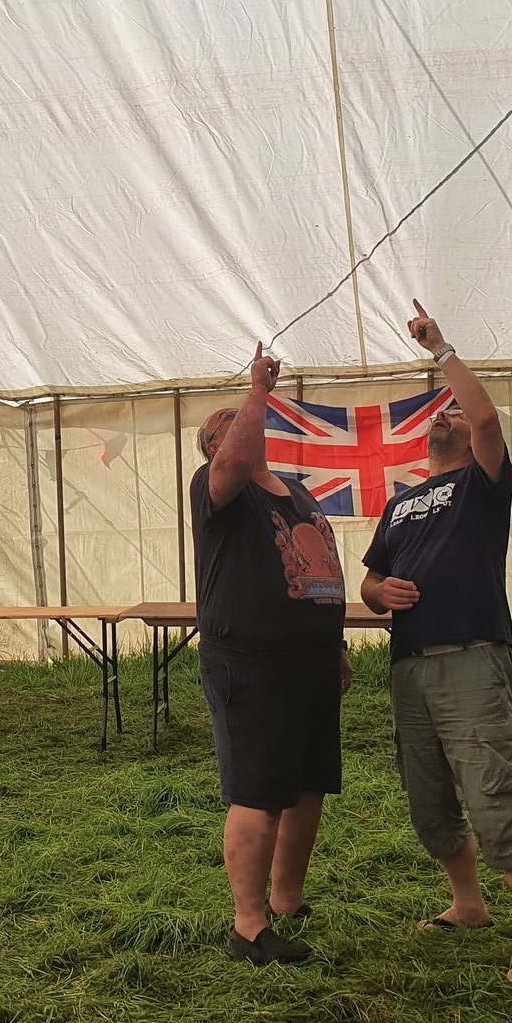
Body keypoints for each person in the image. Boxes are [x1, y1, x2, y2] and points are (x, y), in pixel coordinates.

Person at [360, 301, 512, 988]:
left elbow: (485, 420)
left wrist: (441, 350)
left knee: (491, 794)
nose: (444, 419)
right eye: (438, 416)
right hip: (408, 669)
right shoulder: (400, 504)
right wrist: (380, 592)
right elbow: (369, 578)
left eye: (450, 413)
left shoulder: (482, 485)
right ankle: (468, 904)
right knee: (428, 803)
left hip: (471, 659)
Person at [191, 344, 353, 964]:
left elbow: (322, 569)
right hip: (250, 664)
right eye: (226, 424)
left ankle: (286, 899)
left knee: (307, 787)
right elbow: (237, 456)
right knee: (258, 792)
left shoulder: (295, 493)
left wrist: (335, 646)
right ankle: (248, 926)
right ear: (214, 449)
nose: (241, 424)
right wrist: (257, 390)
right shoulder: (217, 488)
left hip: (310, 664)